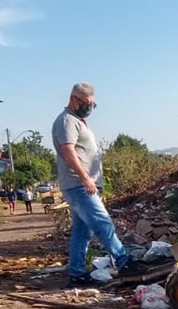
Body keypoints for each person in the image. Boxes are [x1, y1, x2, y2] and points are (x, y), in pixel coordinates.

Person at [52, 82, 148, 287]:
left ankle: (76, 274)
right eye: (87, 103)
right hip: (79, 185)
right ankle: (124, 261)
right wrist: (86, 177)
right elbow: (68, 151)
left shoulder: (77, 120)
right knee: (103, 223)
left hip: (80, 185)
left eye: (93, 104)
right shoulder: (67, 121)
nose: (90, 108)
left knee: (82, 232)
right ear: (74, 99)